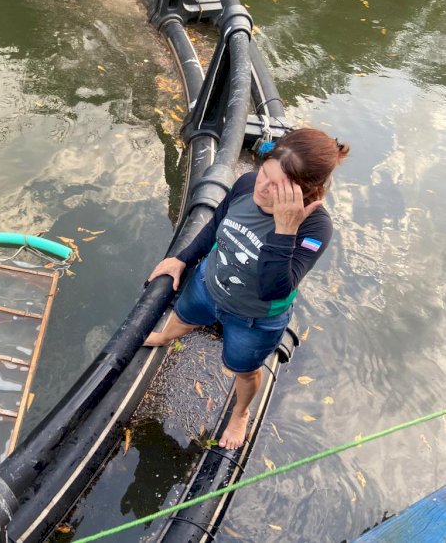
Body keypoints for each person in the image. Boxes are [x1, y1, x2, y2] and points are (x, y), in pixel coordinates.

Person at [145, 127, 349, 450]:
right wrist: (181, 259)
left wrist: (285, 230)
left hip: (254, 319)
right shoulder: (246, 184)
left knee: (243, 368)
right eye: (264, 174)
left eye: (276, 188)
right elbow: (215, 225)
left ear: (303, 195)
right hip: (209, 284)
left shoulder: (315, 227)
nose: (262, 188)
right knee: (183, 315)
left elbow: (274, 289)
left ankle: (240, 412)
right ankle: (167, 337)